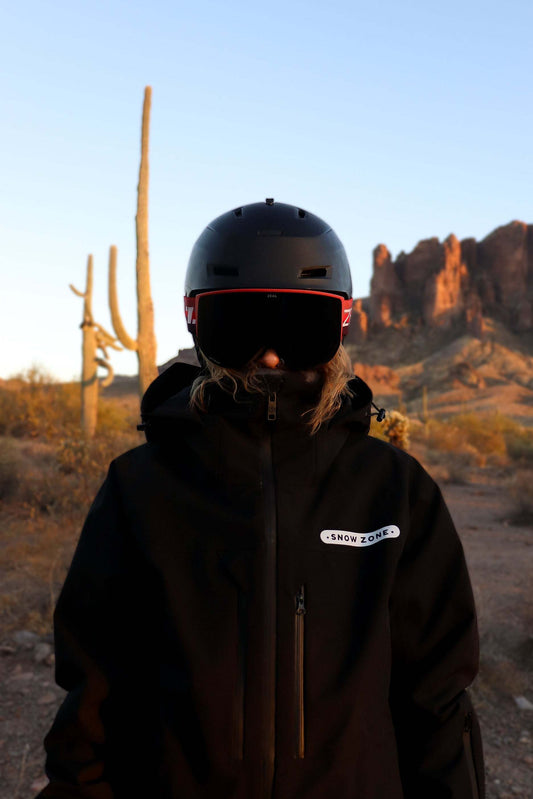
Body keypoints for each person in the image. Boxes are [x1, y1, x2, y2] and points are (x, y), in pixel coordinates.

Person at [38, 200, 485, 798]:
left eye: (302, 329)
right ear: (196, 323)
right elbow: (95, 689)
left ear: (343, 325)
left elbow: (436, 699)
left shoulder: (395, 491)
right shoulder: (139, 487)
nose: (270, 356)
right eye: (239, 328)